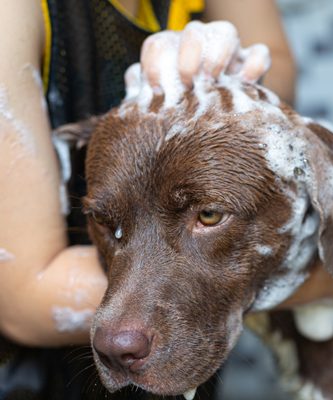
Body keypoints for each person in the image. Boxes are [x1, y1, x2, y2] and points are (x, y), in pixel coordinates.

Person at [0, 0, 295, 397]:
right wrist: (328, 279)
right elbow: (23, 301)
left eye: (207, 215)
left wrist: (230, 83)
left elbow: (274, 57)